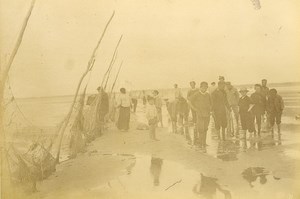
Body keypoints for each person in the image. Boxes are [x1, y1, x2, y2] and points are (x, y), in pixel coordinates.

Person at [190, 82, 212, 149]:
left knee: (205, 129)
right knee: (200, 129)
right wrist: (195, 109)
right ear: (200, 87)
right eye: (203, 87)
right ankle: (200, 143)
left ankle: (204, 143)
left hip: (207, 115)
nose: (204, 88)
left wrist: (210, 110)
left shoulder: (208, 95)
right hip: (199, 114)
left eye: (206, 87)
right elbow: (189, 101)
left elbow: (211, 103)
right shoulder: (196, 94)